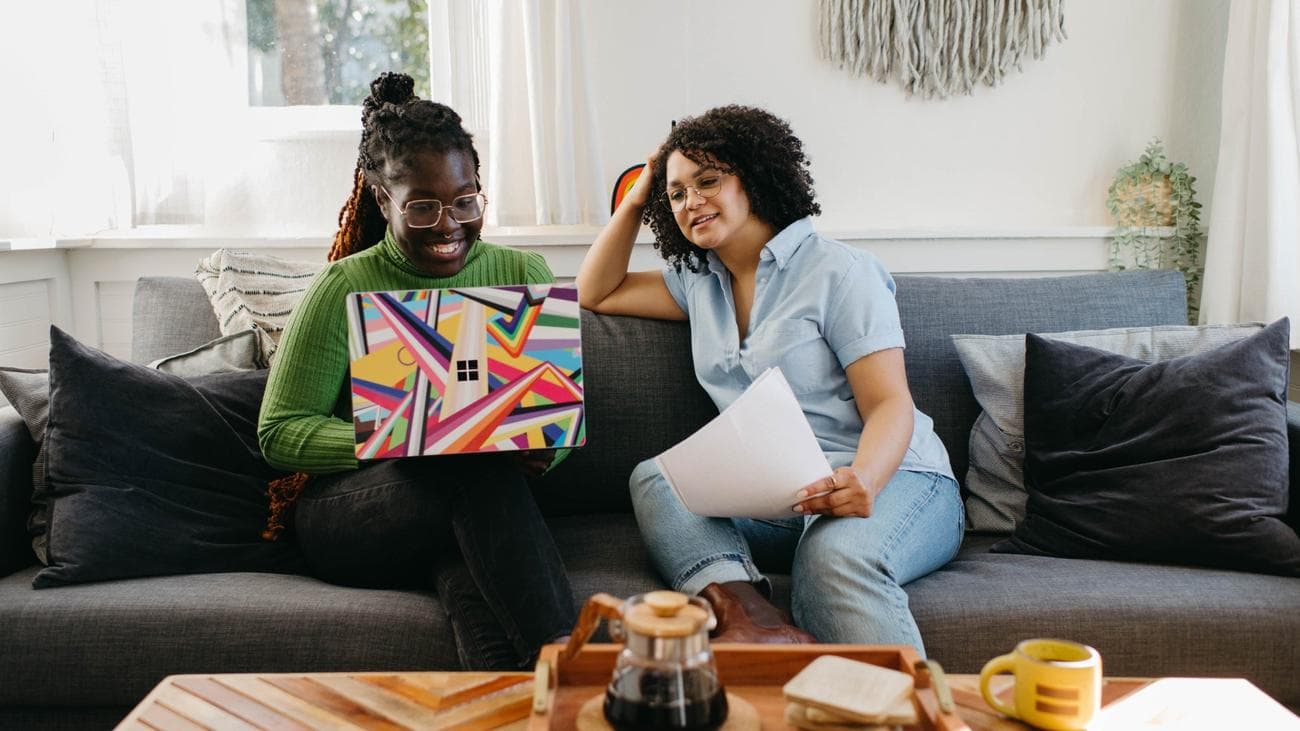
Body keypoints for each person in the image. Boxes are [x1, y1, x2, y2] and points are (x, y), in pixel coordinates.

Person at [575, 105, 963, 653]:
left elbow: (889, 404)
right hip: (784, 493)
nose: (691, 202)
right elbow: (598, 291)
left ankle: (905, 712)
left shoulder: (839, 271)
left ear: (754, 177)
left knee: (834, 557)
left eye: (708, 180)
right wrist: (640, 196)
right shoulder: (697, 282)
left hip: (896, 482)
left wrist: (865, 481)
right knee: (657, 480)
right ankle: (753, 626)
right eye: (677, 194)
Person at [257, 72, 575, 670]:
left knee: (473, 549)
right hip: (353, 513)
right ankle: (572, 667)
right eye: (422, 206)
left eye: (464, 200)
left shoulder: (522, 270)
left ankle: (522, 697)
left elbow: (556, 406)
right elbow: (279, 432)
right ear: (384, 201)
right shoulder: (345, 285)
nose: (449, 223)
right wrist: (404, 438)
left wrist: (543, 449)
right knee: (464, 462)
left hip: (478, 508)